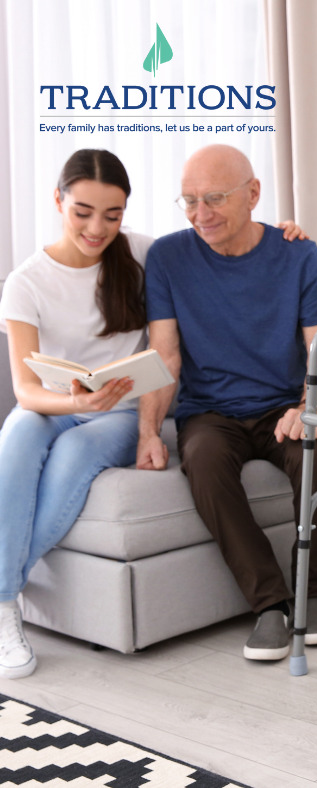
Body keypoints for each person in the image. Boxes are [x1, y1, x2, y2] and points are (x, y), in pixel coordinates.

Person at [137, 144, 317, 663]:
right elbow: (163, 355)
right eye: (187, 201)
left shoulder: (297, 253)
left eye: (213, 198)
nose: (199, 214)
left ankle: (313, 595)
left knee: (316, 453)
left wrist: (309, 408)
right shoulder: (166, 258)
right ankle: (269, 604)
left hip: (282, 404)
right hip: (210, 413)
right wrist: (147, 433)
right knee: (202, 462)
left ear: (253, 194)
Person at [0, 149, 148, 678]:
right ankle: (4, 607)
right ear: (58, 200)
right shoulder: (26, 281)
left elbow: (214, 242)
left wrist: (283, 230)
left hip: (120, 414)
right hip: (60, 403)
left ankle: (2, 593)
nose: (97, 228)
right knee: (17, 433)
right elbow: (25, 389)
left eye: (112, 215)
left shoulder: (143, 257)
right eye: (83, 211)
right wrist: (76, 402)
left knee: (75, 453)